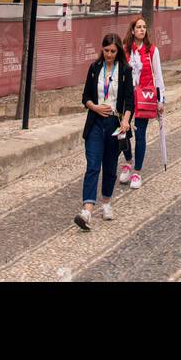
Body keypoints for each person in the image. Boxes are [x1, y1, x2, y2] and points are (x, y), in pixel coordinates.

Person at [75, 33, 134, 230]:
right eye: (106, 50)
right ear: (102, 49)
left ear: (118, 52)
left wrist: (126, 120)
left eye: (113, 51)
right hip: (95, 123)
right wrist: (95, 107)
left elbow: (129, 100)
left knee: (109, 166)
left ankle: (107, 201)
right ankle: (87, 210)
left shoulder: (125, 71)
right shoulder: (94, 69)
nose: (109, 54)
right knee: (93, 164)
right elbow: (85, 97)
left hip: (114, 125)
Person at [120, 15, 165, 189]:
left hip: (144, 96)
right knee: (122, 133)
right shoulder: (124, 50)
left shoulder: (152, 50)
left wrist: (160, 100)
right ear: (132, 30)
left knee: (140, 134)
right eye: (138, 27)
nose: (141, 30)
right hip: (126, 97)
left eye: (144, 27)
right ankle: (128, 161)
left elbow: (158, 76)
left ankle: (137, 172)